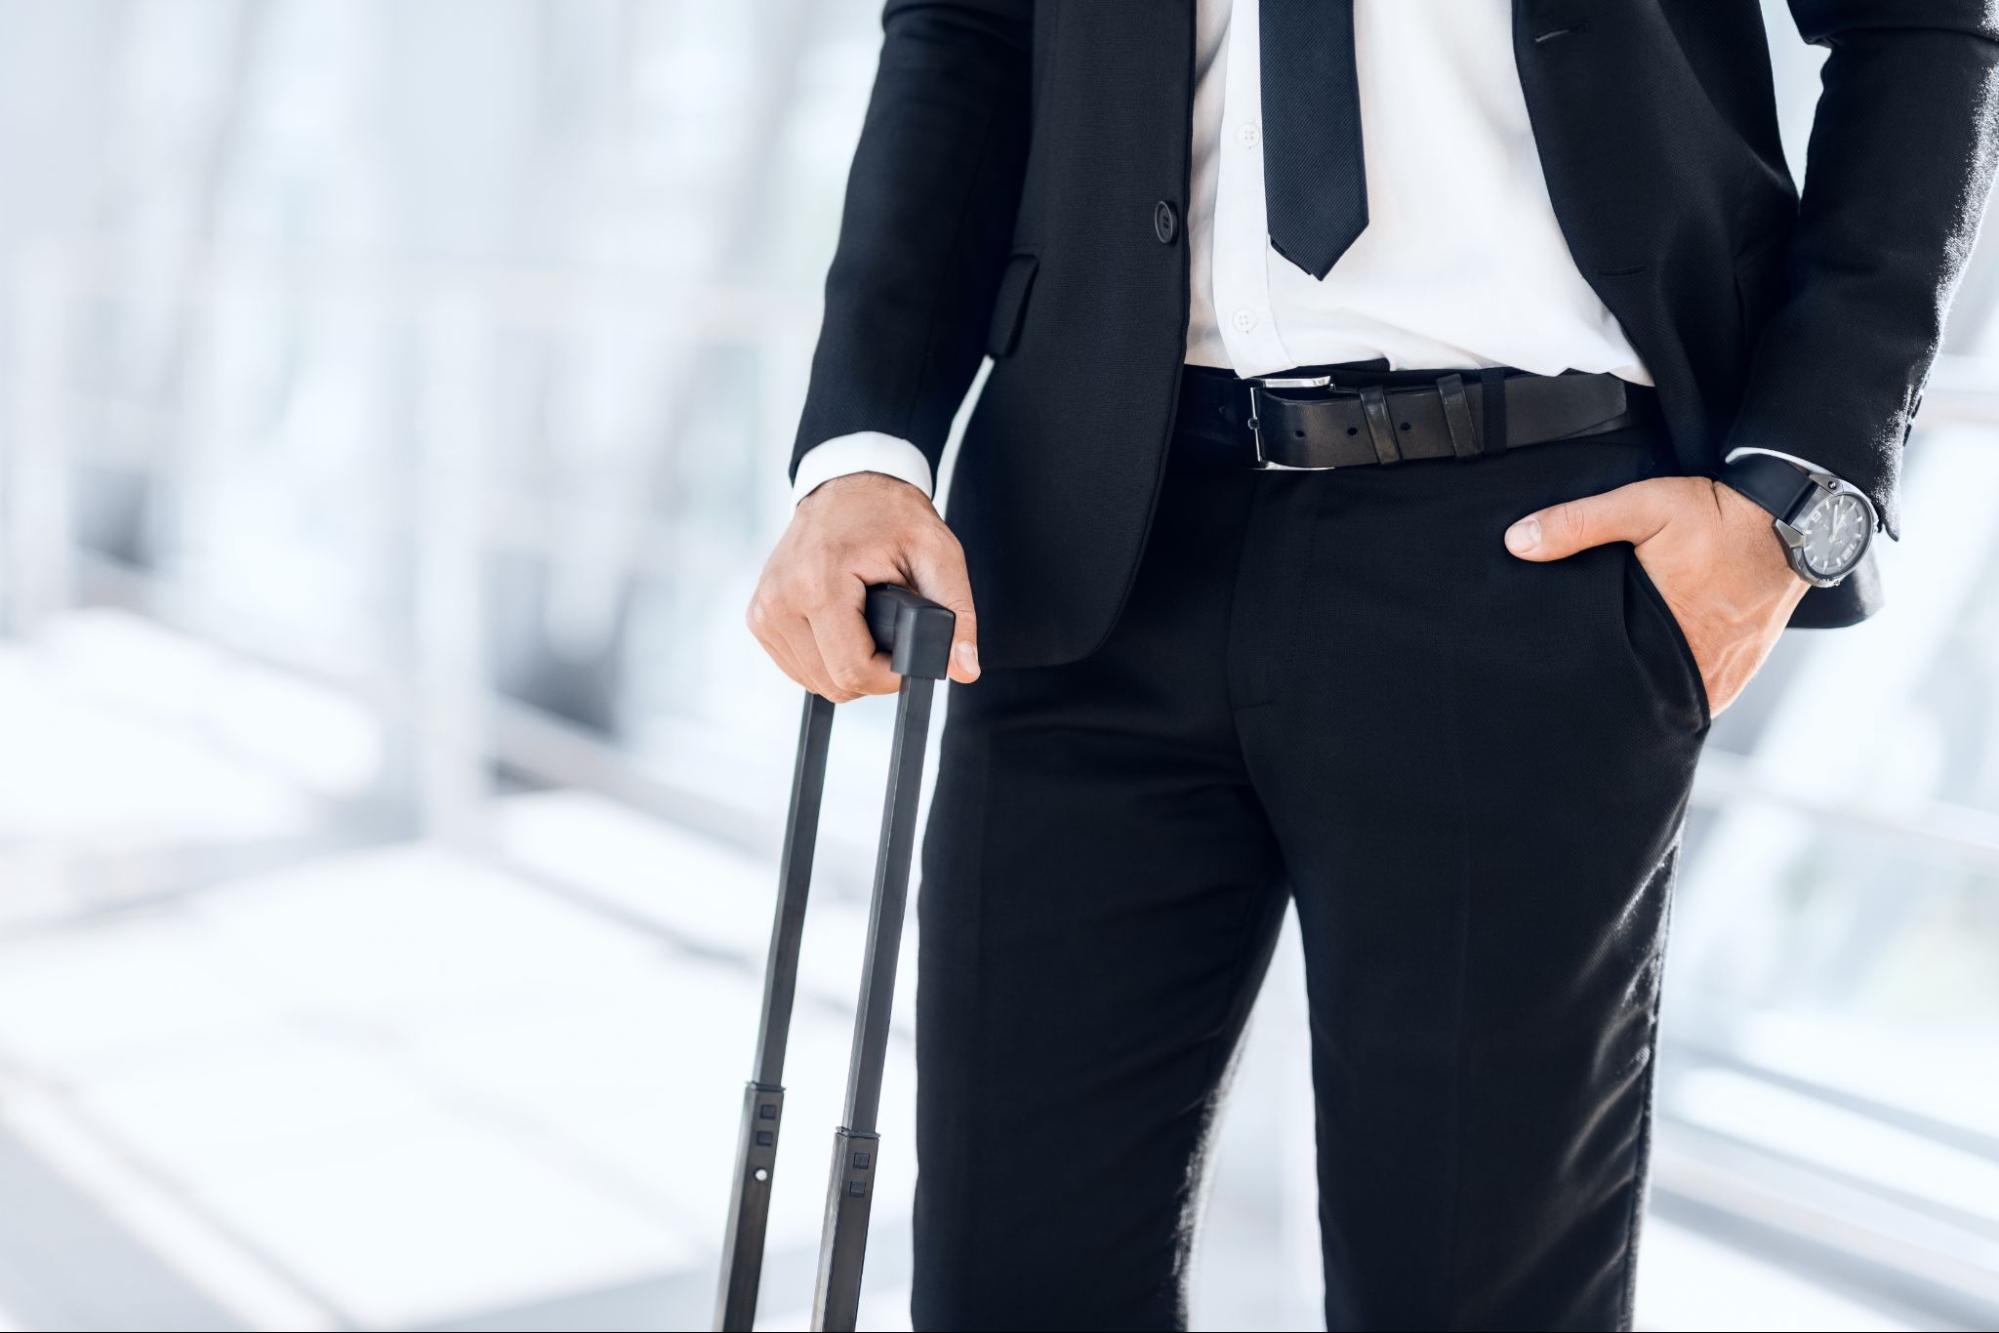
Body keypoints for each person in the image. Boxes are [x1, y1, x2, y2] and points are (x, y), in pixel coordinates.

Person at [746, 2, 1999, 1328]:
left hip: (1532, 548)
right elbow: (968, 29)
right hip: (1092, 539)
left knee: (1470, 1297)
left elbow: (1919, 22)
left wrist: (1800, 485)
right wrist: (865, 447)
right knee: (1011, 1284)